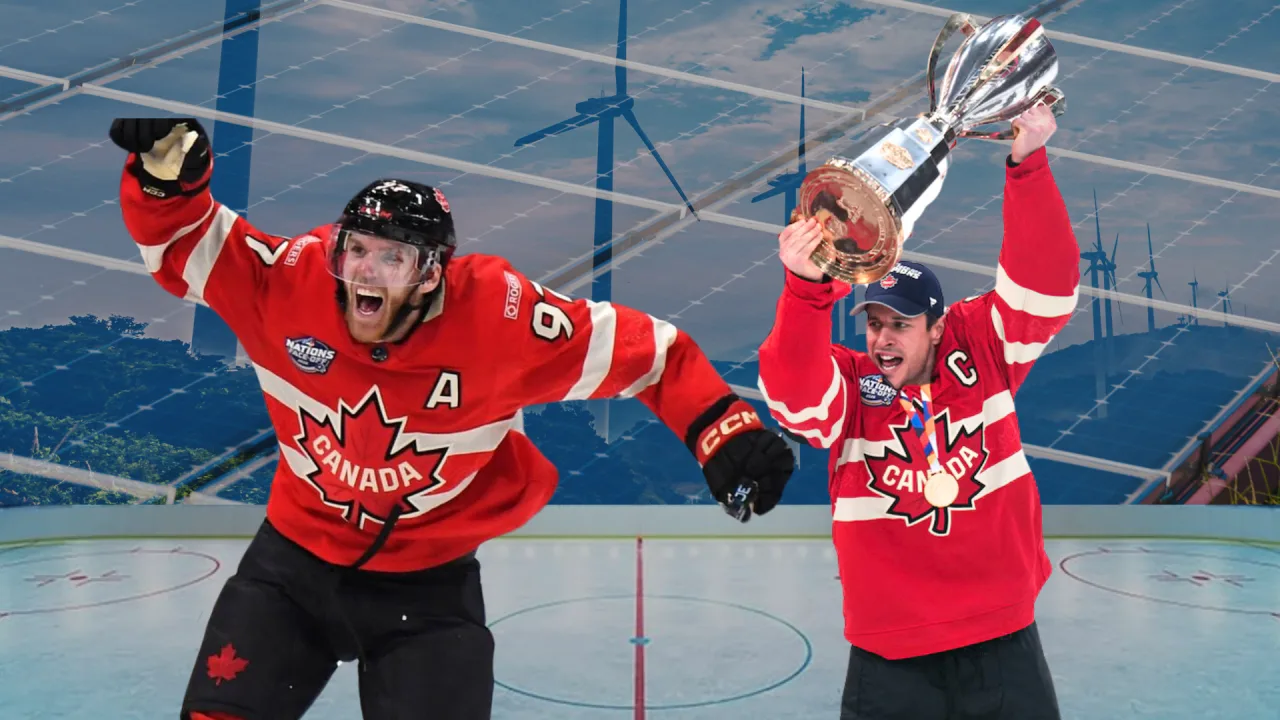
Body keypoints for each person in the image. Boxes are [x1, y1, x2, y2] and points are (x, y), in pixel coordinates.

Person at [107, 117, 796, 720]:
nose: (365, 273)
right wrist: (167, 182)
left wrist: (721, 428)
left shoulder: (505, 319)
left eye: (394, 256)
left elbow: (652, 354)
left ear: (434, 271)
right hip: (291, 566)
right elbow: (186, 243)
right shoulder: (289, 280)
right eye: (355, 249)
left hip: (427, 586)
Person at [756, 103, 1076, 719]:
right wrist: (804, 287)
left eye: (900, 325)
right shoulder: (851, 386)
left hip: (1002, 635)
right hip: (890, 652)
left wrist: (1028, 163)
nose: (882, 339)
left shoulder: (982, 345)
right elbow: (796, 398)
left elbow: (1046, 287)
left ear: (937, 327)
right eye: (873, 324)